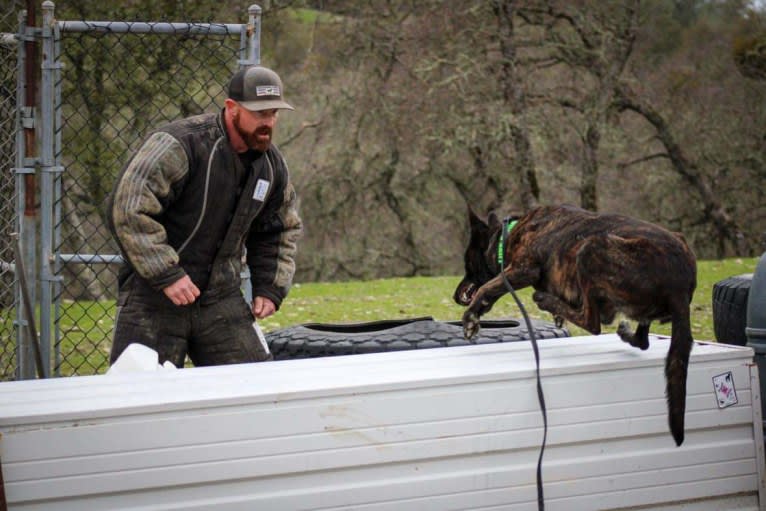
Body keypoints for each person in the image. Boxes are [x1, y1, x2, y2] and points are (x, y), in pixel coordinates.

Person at [106, 65, 302, 367]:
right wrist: (166, 274)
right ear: (232, 108)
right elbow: (128, 207)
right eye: (260, 113)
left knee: (255, 389)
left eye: (274, 113)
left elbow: (280, 228)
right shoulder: (180, 144)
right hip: (154, 297)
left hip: (220, 299)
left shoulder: (271, 166)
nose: (269, 122)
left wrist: (270, 287)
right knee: (140, 398)